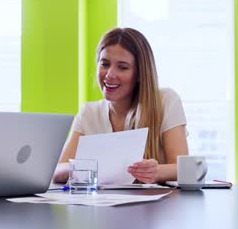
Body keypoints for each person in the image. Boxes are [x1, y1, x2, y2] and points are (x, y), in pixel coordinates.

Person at [53, 27, 189, 184]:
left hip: (155, 206)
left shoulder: (166, 101)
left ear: (140, 74)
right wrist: (88, 166)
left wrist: (155, 172)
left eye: (122, 67)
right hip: (101, 206)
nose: (110, 74)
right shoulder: (89, 112)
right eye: (104, 64)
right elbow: (58, 170)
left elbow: (182, 168)